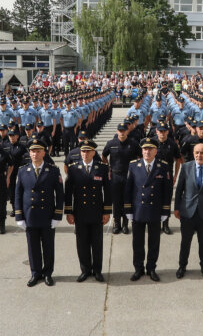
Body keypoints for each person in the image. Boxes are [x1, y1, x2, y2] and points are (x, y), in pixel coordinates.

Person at [14, 138, 64, 287]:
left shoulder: (53, 170)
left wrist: (57, 215)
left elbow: (60, 195)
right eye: (32, 151)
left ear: (44, 152)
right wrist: (19, 216)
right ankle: (35, 273)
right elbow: (17, 194)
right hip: (30, 216)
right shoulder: (23, 171)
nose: (35, 154)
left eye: (38, 151)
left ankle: (48, 273)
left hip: (47, 215)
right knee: (33, 246)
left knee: (48, 246)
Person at [124, 137, 172, 282]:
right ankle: (138, 268)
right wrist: (128, 209)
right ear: (142, 150)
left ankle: (151, 268)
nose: (147, 151)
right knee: (137, 242)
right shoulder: (133, 166)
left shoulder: (163, 166)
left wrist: (165, 211)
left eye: (150, 149)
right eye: (145, 149)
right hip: (138, 209)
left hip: (155, 210)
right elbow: (128, 189)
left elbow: (167, 191)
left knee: (154, 242)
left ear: (156, 151)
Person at [64, 140, 110, 282]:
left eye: (88, 151)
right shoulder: (73, 168)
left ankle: (97, 271)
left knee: (97, 243)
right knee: (82, 243)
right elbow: (68, 192)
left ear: (93, 153)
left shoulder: (102, 168)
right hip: (80, 212)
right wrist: (69, 212)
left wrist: (107, 211)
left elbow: (108, 190)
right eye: (83, 151)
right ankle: (85, 270)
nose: (85, 154)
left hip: (96, 211)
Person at [174, 142, 203, 279]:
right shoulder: (186, 167)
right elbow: (179, 190)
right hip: (188, 212)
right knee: (185, 242)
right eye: (197, 153)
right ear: (193, 154)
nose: (199, 155)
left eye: (202, 153)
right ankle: (182, 266)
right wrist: (176, 208)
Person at [102, 123, 141, 235]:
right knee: (116, 200)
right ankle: (116, 223)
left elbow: (140, 156)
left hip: (129, 175)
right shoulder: (111, 143)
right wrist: (108, 167)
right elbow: (104, 155)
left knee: (127, 200)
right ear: (117, 131)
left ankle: (125, 224)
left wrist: (136, 169)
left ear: (127, 131)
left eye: (124, 130)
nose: (122, 132)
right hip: (115, 176)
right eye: (120, 130)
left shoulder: (133, 143)